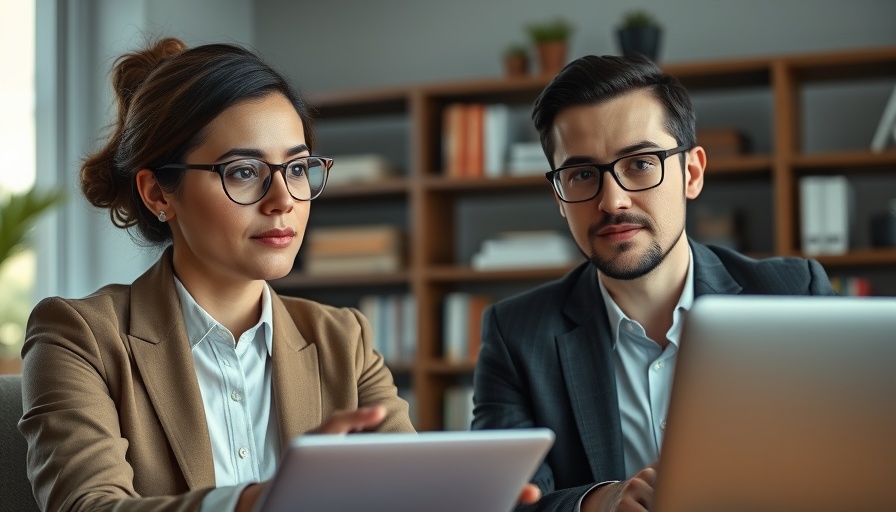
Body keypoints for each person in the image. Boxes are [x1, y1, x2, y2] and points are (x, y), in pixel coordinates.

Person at [18, 37, 419, 512]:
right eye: (244, 171)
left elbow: (406, 490)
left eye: (295, 168)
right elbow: (88, 506)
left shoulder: (342, 340)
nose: (284, 200)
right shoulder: (78, 337)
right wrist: (257, 501)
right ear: (158, 194)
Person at [471, 54, 836, 512]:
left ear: (692, 173)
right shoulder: (517, 334)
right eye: (582, 175)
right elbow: (504, 500)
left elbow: (853, 457)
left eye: (641, 163)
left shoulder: (792, 295)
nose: (612, 201)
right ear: (560, 198)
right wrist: (599, 503)